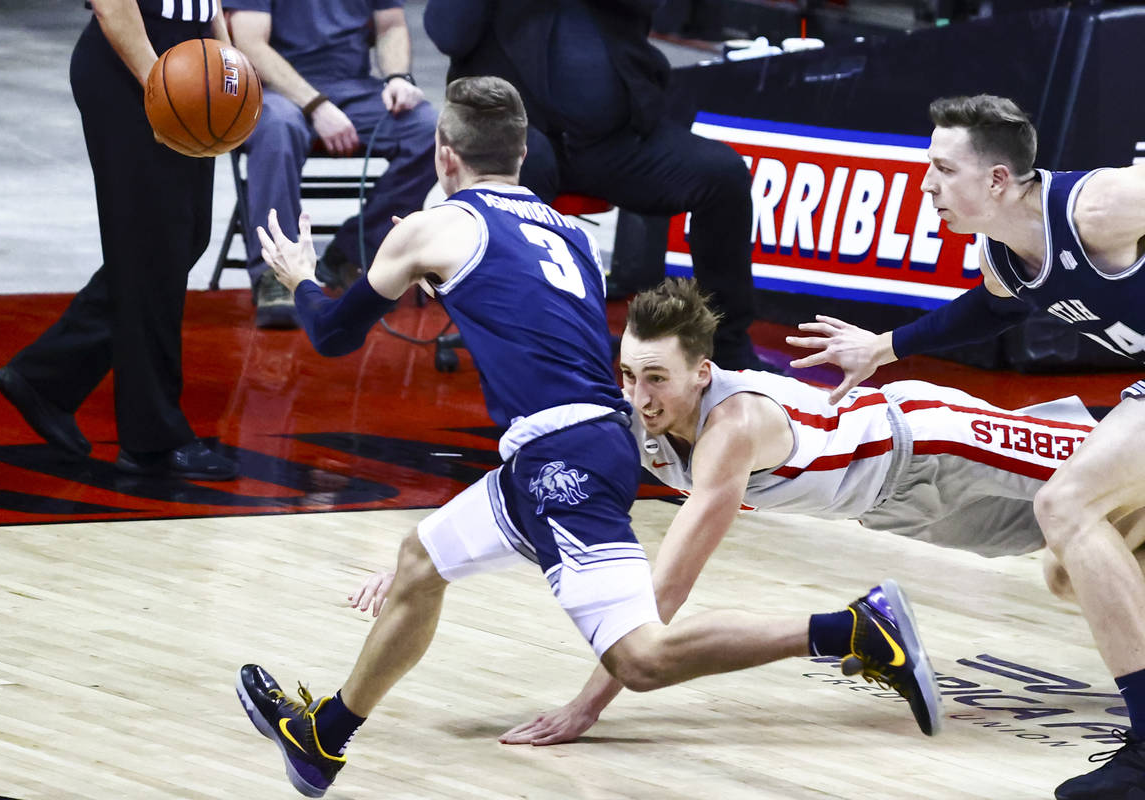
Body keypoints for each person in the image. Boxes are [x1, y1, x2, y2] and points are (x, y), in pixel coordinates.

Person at [233, 76, 940, 798]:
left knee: (642, 659)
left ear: (444, 155)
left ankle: (853, 630)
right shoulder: (569, 232)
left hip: (562, 458)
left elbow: (331, 334)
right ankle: (324, 739)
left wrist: (301, 277)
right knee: (420, 560)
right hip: (573, 444)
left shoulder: (434, 226)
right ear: (523, 153)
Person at [352, 276, 1110, 748]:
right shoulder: (635, 417)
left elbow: (665, 595)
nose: (639, 396)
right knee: (1089, 556)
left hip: (934, 444)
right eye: (628, 375)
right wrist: (425, 558)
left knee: (1119, 479)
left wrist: (587, 707)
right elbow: (538, 477)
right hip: (896, 509)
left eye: (657, 378)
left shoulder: (731, 428)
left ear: (701, 373)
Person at [786, 94, 1145, 800]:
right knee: (1072, 569)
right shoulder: (1005, 256)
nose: (927, 185)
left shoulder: (1098, 208)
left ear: (998, 179)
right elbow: (989, 308)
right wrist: (884, 347)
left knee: (1066, 504)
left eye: (943, 170)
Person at [422, 0, 768, 371]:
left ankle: (727, 347)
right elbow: (449, 33)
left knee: (723, 174)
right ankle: (522, 345)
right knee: (517, 169)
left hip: (614, 141)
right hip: (517, 142)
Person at [0, 0, 238, 480]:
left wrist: (230, 66)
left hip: (194, 59)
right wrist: (162, 87)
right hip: (135, 61)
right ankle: (153, 441)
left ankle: (46, 376)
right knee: (155, 250)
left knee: (181, 241)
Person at [223, 0, 438, 328]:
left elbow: (391, 25)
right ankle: (277, 273)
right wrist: (316, 105)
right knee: (278, 128)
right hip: (277, 92)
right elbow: (250, 44)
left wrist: (397, 77)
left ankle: (354, 252)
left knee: (428, 131)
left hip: (353, 87)